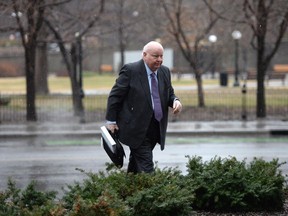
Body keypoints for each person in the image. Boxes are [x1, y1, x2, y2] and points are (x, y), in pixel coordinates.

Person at [105, 41, 182, 174]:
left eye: (161, 56)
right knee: (147, 168)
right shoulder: (131, 70)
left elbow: (169, 93)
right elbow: (115, 96)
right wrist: (111, 121)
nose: (159, 60)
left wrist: (175, 101)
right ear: (144, 55)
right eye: (155, 56)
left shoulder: (164, 72)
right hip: (135, 127)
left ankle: (129, 191)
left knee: (136, 165)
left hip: (155, 127)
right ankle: (151, 192)